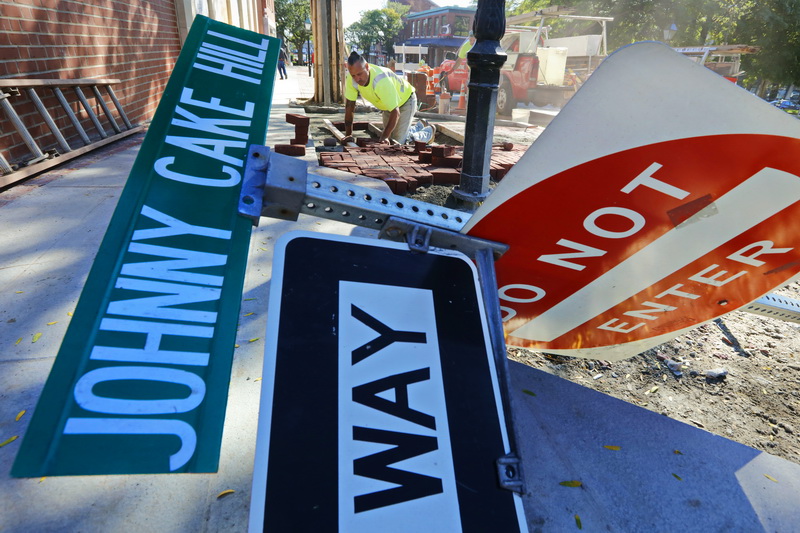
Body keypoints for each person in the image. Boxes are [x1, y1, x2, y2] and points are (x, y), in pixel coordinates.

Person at [342, 51, 418, 145]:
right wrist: (349, 135)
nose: (357, 79)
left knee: (397, 142)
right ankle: (413, 129)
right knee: (389, 138)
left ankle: (426, 133)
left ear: (366, 67)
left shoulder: (380, 80)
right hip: (388, 106)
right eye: (353, 75)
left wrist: (384, 137)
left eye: (360, 74)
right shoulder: (351, 78)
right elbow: (349, 107)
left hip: (406, 101)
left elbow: (395, 112)